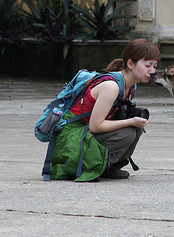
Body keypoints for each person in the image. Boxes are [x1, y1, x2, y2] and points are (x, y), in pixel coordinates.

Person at [49, 38, 160, 182]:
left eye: (155, 66)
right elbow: (95, 126)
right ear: (130, 64)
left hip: (83, 132)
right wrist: (130, 121)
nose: (152, 71)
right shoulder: (111, 86)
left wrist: (133, 118)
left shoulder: (131, 85)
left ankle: (109, 166)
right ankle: (88, 166)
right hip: (70, 136)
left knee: (135, 129)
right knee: (127, 132)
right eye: (147, 65)